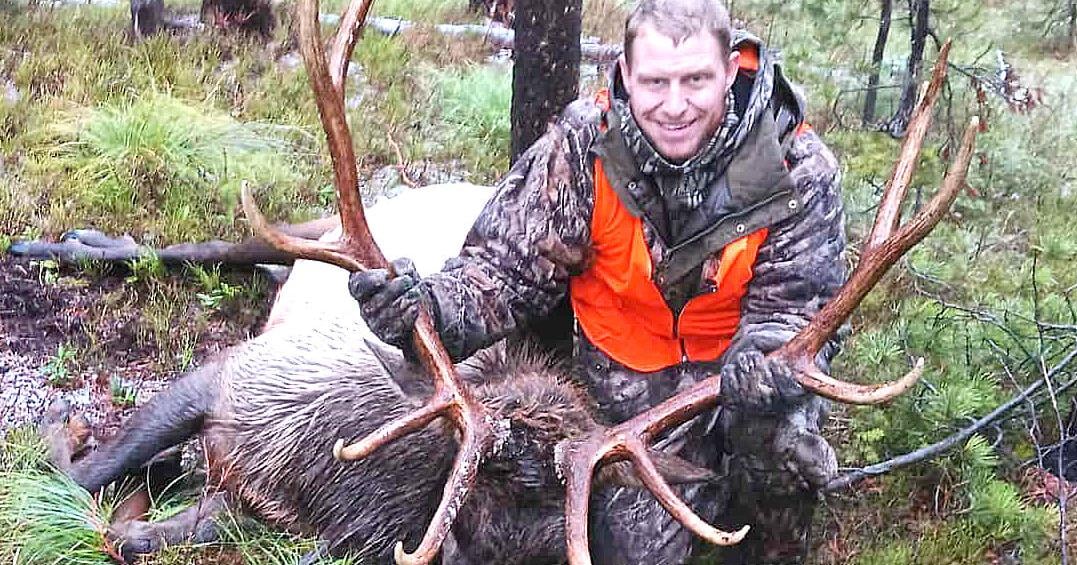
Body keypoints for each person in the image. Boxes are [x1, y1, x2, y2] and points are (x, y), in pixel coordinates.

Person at [349, 0, 845, 562]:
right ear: (625, 74)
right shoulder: (585, 146)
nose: (675, 105)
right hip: (622, 394)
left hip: (737, 383)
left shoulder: (796, 166)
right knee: (625, 553)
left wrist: (765, 360)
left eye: (696, 80)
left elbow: (800, 308)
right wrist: (425, 309)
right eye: (655, 81)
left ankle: (770, 546)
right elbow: (501, 271)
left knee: (784, 451)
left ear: (730, 71)